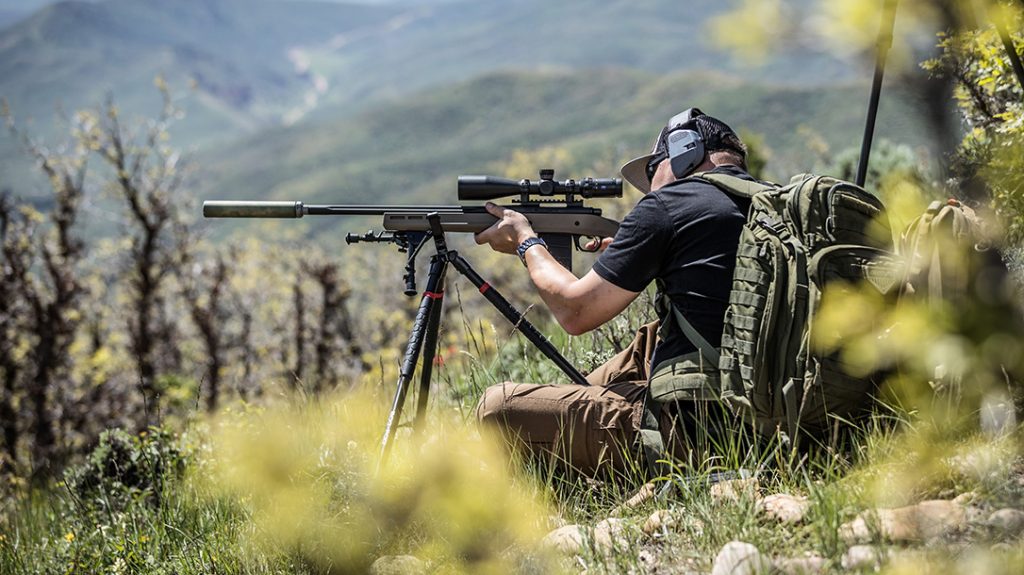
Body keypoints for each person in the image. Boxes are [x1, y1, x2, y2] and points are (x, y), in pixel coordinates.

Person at [473, 108, 758, 476]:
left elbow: (574, 313)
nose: (652, 187)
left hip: (698, 438)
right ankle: (568, 402)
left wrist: (525, 242)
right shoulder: (771, 207)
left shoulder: (668, 205)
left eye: (653, 170)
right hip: (779, 419)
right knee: (650, 340)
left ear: (683, 152)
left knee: (496, 407)